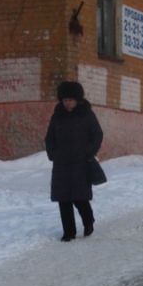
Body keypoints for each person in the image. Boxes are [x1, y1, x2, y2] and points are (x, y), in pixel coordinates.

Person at [44, 81, 104, 242]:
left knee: (80, 198)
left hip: (81, 162)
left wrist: (88, 151)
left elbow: (97, 134)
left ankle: (88, 221)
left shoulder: (87, 115)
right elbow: (49, 138)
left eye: (70, 100)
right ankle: (68, 232)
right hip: (61, 163)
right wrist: (53, 154)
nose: (67, 103)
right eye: (64, 100)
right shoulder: (57, 116)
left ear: (77, 100)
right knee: (63, 200)